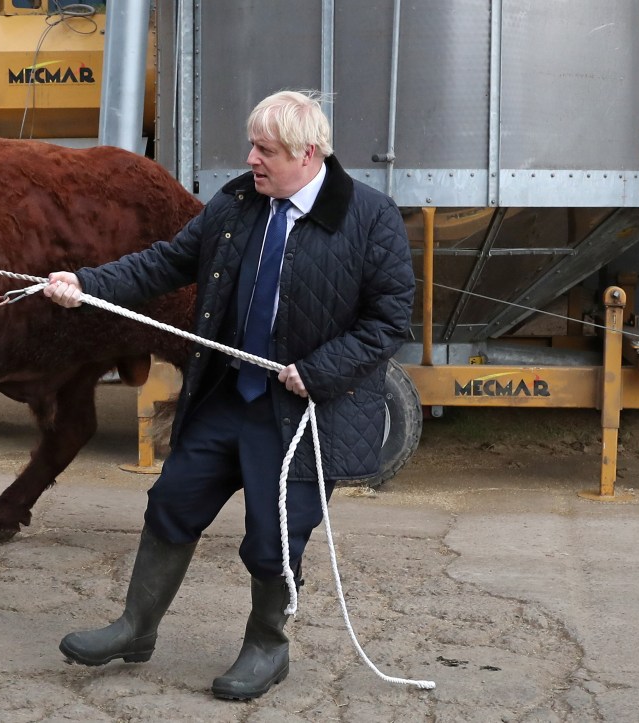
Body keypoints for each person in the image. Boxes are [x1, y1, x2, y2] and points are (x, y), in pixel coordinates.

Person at [44, 90, 414, 699]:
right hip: (226, 395)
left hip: (299, 413)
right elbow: (166, 263)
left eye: (265, 150)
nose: (252, 159)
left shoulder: (370, 217)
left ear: (309, 154)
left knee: (273, 537)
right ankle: (136, 628)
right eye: (252, 146)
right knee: (172, 501)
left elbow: (389, 321)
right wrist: (84, 283)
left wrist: (319, 371)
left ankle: (268, 647)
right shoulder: (238, 203)